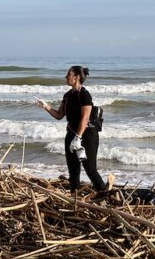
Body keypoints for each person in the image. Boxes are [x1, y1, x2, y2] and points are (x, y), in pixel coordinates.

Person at [36, 65, 114, 193]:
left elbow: (85, 118)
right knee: (73, 171)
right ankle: (75, 198)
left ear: (76, 77)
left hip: (87, 135)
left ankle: (105, 194)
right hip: (71, 134)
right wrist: (45, 106)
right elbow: (59, 115)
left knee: (90, 170)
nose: (66, 77)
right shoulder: (67, 95)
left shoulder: (85, 95)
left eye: (68, 74)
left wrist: (78, 138)